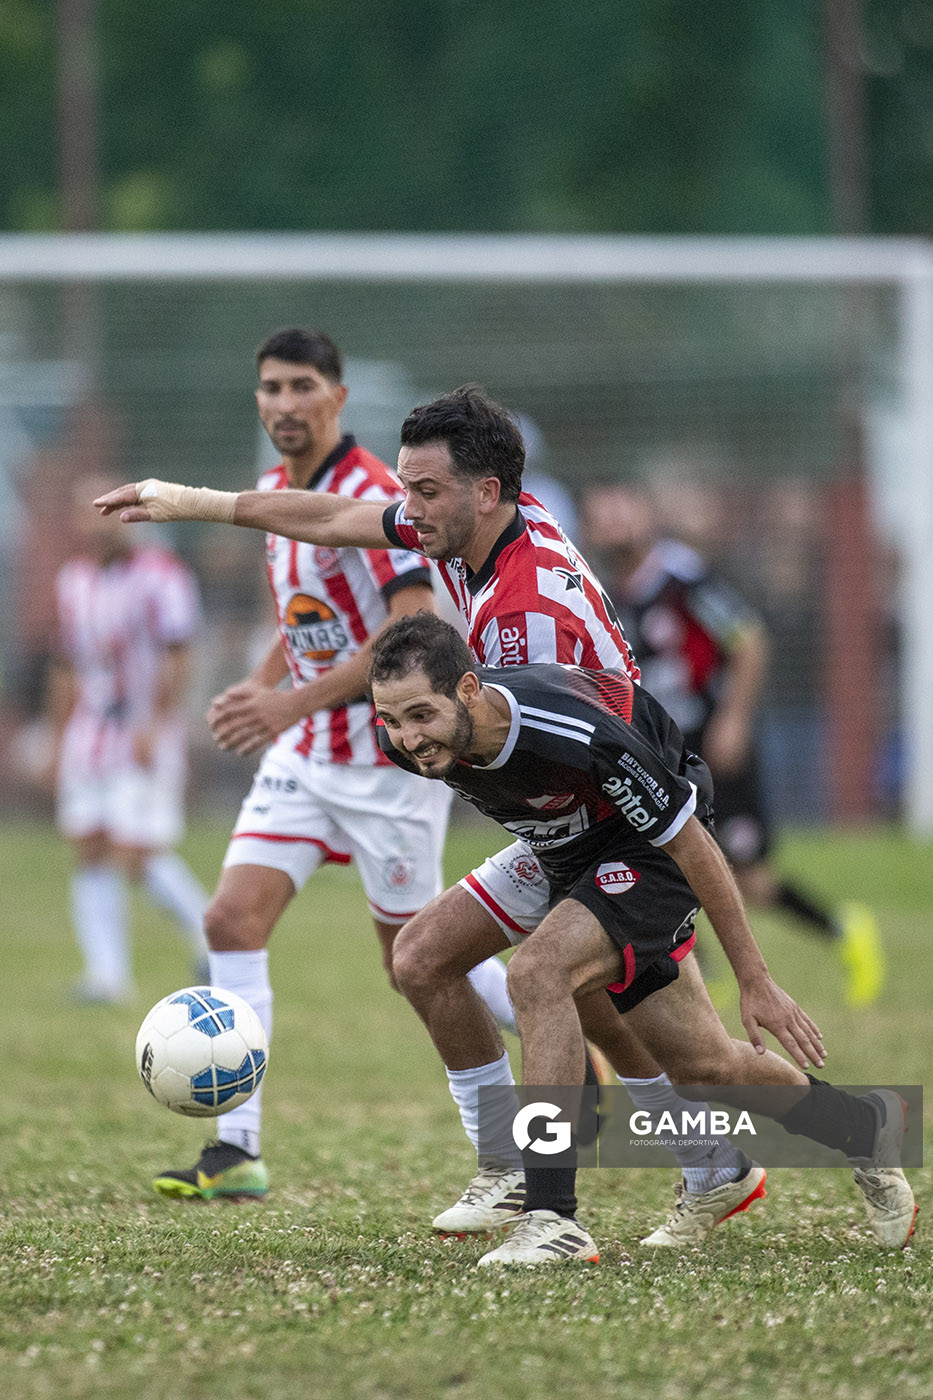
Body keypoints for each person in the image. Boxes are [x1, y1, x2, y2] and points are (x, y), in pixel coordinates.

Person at [95, 387, 770, 1245]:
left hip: (628, 830)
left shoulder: (530, 625)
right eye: (406, 490)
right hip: (563, 827)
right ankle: (558, 1168)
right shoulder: (466, 532)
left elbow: (627, 782)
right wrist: (196, 503)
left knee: (673, 1042)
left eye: (425, 492)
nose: (405, 512)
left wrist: (741, 962)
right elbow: (336, 518)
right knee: (427, 959)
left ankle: (572, 1208)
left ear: (486, 491)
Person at [368, 611, 917, 1265]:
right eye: (393, 720)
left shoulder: (571, 732)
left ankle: (550, 1217)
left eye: (419, 716)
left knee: (537, 973)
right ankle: (862, 1128)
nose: (406, 738)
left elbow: (691, 841)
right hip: (562, 850)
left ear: (466, 690)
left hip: (651, 849)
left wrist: (753, 977)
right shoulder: (414, 742)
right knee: (695, 1060)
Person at [146, 330, 529, 1203]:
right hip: (306, 758)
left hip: (390, 763)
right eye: (269, 388)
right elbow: (308, 622)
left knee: (421, 962)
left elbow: (406, 637)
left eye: (301, 386)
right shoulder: (280, 493)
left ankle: (553, 1031)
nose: (283, 403)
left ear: (336, 397)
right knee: (231, 919)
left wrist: (286, 702)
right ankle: (234, 1148)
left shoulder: (385, 497)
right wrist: (264, 684)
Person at [581, 481, 883, 1008]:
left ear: (646, 513)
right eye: (600, 513)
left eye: (621, 507)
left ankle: (844, 930)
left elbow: (748, 640)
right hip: (665, 750)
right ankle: (695, 976)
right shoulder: (608, 589)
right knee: (665, 858)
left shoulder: (682, 577)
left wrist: (734, 719)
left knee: (747, 876)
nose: (612, 521)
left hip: (714, 742)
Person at [48, 474, 210, 1003]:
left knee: (135, 852)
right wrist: (58, 735)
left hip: (142, 731)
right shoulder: (72, 580)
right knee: (89, 847)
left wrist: (157, 722)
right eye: (86, 511)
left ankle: (210, 936)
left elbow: (178, 653)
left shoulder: (161, 575)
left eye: (110, 510)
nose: (99, 522)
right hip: (91, 733)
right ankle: (106, 976)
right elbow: (67, 663)